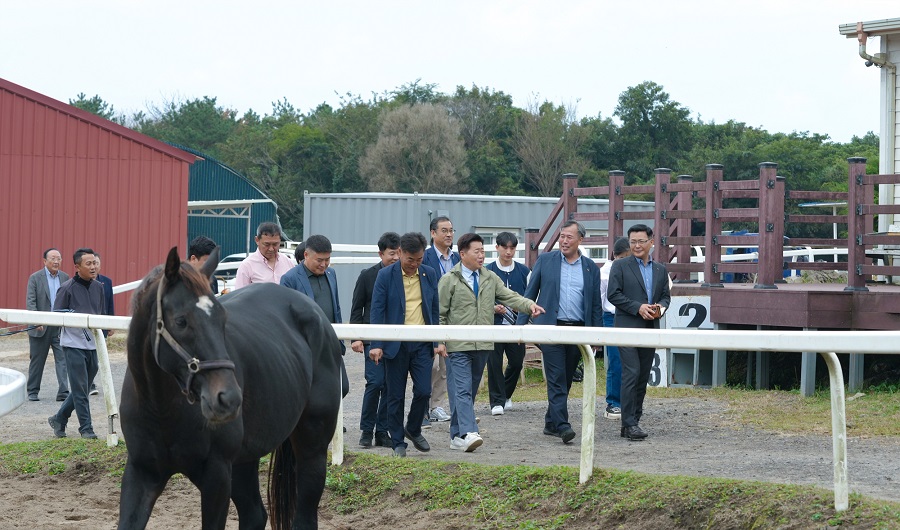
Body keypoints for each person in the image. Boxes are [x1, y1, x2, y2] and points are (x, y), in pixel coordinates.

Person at [439, 233, 543, 452]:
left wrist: (529, 305)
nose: (481, 255)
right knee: (463, 390)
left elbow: (510, 296)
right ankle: (469, 432)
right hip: (457, 345)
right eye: (476, 251)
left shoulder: (488, 277)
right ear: (463, 254)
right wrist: (439, 342)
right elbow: (439, 313)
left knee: (468, 390)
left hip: (483, 345)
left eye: (482, 251)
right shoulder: (449, 279)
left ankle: (456, 436)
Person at [517, 221, 602, 444]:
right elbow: (529, 293)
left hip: (578, 330)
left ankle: (550, 422)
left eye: (569, 237)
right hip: (550, 327)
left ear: (580, 240)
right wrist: (520, 327)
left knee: (566, 379)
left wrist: (596, 336)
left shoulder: (590, 268)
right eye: (562, 236)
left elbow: (594, 304)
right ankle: (563, 425)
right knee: (556, 377)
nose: (564, 241)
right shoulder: (546, 261)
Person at [369, 232, 446, 457]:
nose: (414, 264)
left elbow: (433, 308)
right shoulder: (385, 276)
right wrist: (377, 343)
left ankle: (413, 428)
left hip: (421, 344)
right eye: (410, 259)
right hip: (395, 344)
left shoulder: (429, 273)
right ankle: (397, 442)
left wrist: (436, 341)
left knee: (423, 390)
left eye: (419, 259)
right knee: (395, 395)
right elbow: (377, 310)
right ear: (400, 252)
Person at [607, 224, 671, 441]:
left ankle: (633, 419)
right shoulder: (620, 266)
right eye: (633, 241)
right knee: (631, 372)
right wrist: (638, 307)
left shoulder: (661, 270)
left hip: (650, 328)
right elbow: (613, 295)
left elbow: (665, 297)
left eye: (641, 241)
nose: (636, 245)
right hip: (626, 327)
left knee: (643, 375)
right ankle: (630, 423)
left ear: (651, 242)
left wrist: (659, 309)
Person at [47, 248, 106, 439]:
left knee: (83, 388)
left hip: (92, 345)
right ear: (77, 267)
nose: (93, 267)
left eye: (94, 263)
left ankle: (59, 418)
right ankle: (86, 429)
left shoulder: (99, 287)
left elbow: (100, 315)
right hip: (73, 345)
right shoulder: (66, 288)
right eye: (88, 264)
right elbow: (56, 317)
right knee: (81, 389)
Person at [350, 232, 400, 449]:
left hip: (397, 339)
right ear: (381, 253)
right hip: (372, 339)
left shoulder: (403, 276)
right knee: (375, 382)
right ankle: (366, 430)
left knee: (391, 386)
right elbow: (357, 308)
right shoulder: (367, 275)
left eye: (399, 253)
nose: (396, 258)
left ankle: (382, 431)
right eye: (391, 254)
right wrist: (356, 337)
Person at [485, 232, 531, 415]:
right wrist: (493, 307)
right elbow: (479, 299)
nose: (508, 251)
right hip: (494, 324)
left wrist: (524, 309)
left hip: (516, 325)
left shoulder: (524, 271)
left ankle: (505, 394)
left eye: (512, 248)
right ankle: (496, 401)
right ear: (497, 248)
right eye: (505, 247)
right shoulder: (487, 271)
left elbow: (531, 295)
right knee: (494, 363)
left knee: (517, 362)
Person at [421, 215, 459, 426]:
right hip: (431, 318)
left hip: (452, 320)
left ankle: (436, 406)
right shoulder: (425, 258)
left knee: (446, 367)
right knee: (432, 365)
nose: (449, 234)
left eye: (451, 230)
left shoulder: (456, 258)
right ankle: (423, 406)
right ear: (433, 233)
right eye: (444, 230)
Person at [25, 248, 70, 402]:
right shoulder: (35, 278)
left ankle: (63, 391)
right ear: (44, 261)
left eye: (59, 258)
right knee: (37, 360)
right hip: (41, 326)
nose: (56, 261)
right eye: (52, 258)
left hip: (59, 326)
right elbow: (31, 301)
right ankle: (32, 391)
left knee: (63, 358)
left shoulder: (65, 277)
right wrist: (36, 319)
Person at [599, 237, 631, 420]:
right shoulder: (604, 273)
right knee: (616, 361)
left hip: (632, 316)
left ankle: (628, 401)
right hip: (611, 316)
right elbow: (601, 299)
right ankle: (613, 402)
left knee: (632, 362)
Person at [280, 235, 342, 326]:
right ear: (306, 255)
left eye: (327, 260)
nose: (323, 264)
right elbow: (285, 317)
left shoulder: (331, 273)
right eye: (319, 260)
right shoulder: (290, 279)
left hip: (330, 337)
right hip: (304, 338)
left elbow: (337, 309)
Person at [234, 222, 294, 289]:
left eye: (275, 244)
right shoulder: (247, 266)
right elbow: (240, 295)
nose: (271, 249)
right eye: (266, 244)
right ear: (257, 240)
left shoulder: (288, 262)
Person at [89, 252, 115, 396]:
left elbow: (110, 303)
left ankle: (92, 381)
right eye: (91, 263)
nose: (94, 266)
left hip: (102, 324)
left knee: (98, 356)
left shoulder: (107, 281)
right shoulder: (82, 282)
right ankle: (89, 383)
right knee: (88, 355)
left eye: (96, 263)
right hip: (86, 326)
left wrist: (111, 323)